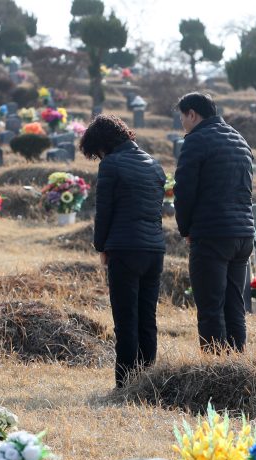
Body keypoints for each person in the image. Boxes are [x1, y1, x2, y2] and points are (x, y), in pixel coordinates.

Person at [79, 114, 166, 388]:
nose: (100, 156)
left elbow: (104, 211)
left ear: (102, 144)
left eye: (98, 151)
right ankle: (147, 383)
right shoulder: (155, 165)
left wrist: (101, 246)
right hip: (154, 249)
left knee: (126, 320)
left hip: (125, 249)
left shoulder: (111, 165)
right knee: (147, 319)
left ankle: (125, 384)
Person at [173, 92, 255, 353]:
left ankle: (216, 369)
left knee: (210, 307)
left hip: (212, 233)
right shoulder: (239, 139)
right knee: (234, 305)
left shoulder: (196, 140)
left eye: (182, 118)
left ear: (192, 114)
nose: (182, 124)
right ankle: (237, 364)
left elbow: (184, 191)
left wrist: (185, 229)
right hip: (243, 234)